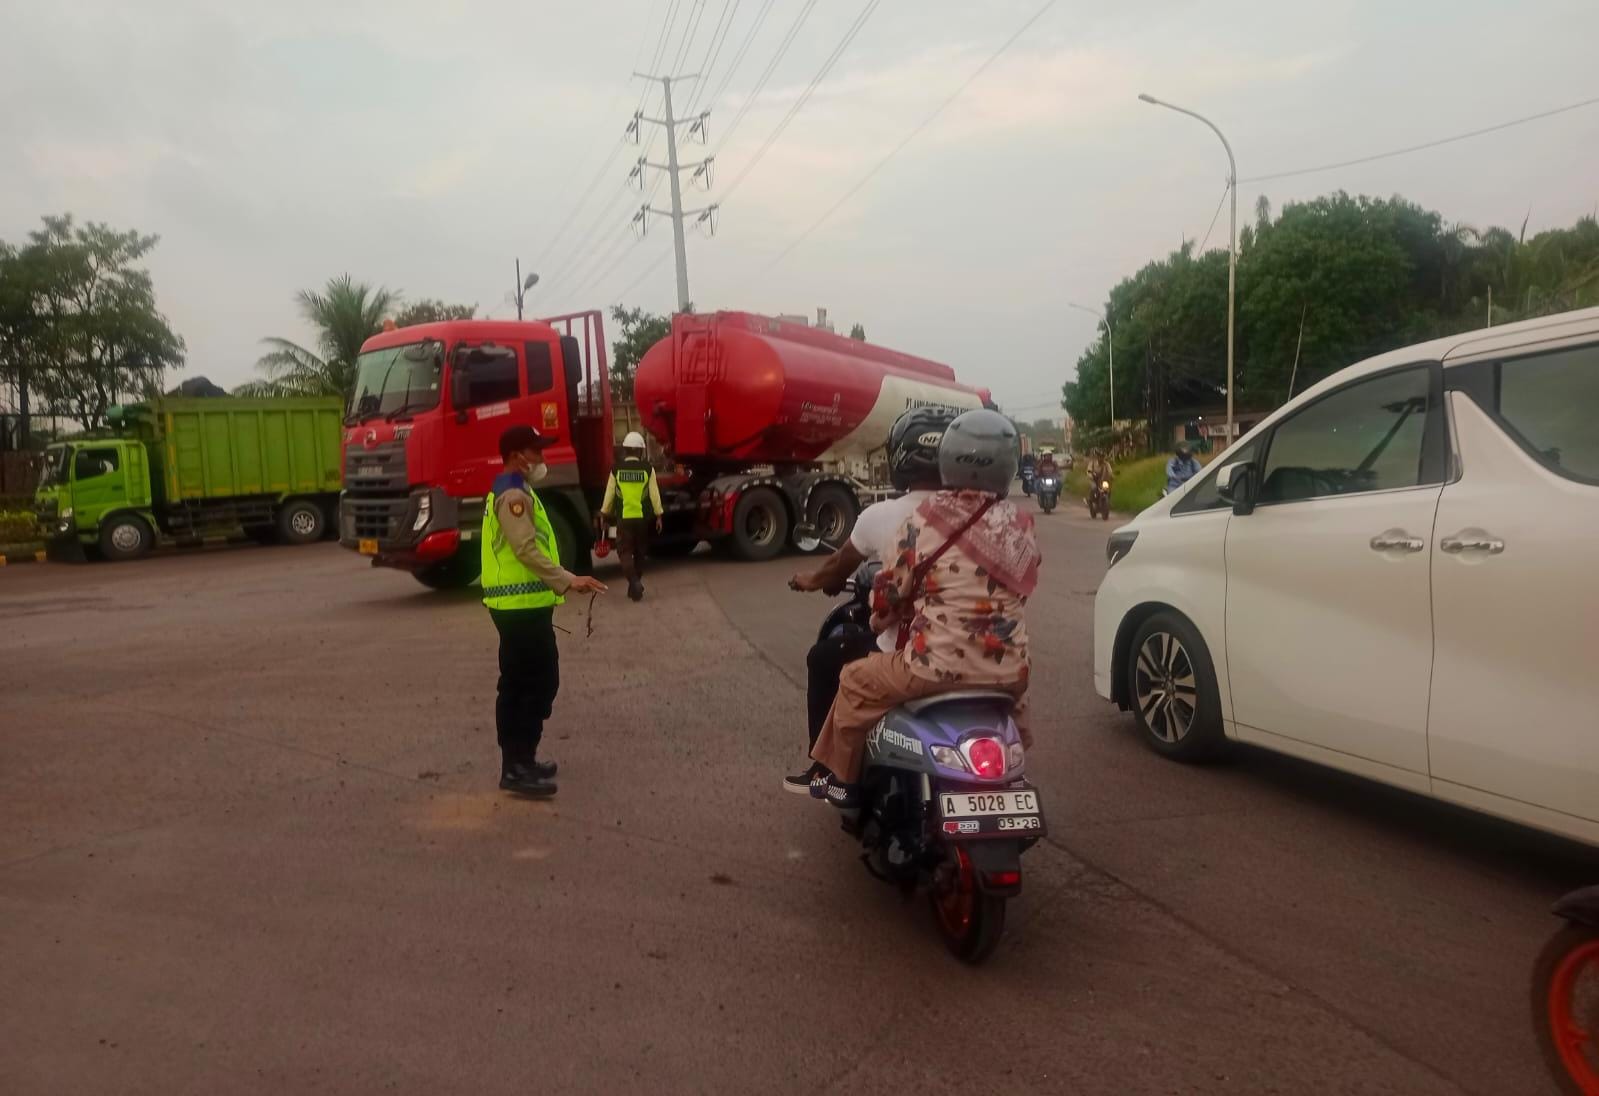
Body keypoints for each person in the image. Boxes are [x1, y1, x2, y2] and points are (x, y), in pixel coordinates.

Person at [810, 409, 1040, 808]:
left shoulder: (925, 521)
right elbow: (1024, 585)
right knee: (1015, 712)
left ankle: (843, 782)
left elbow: (889, 592)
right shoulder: (1021, 525)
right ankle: (1013, 769)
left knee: (853, 679)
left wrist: (879, 614)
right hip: (1008, 671)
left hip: (933, 668)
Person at [783, 406, 956, 794]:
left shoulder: (886, 517)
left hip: (916, 655)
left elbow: (838, 569)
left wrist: (811, 581)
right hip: (980, 652)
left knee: (827, 660)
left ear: (900, 456)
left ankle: (829, 771)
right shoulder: (981, 517)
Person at [483, 425, 607, 797]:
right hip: (518, 608)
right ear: (517, 455)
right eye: (536, 451)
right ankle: (515, 766)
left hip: (525, 606)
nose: (542, 458)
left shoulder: (518, 490)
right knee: (527, 684)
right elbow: (525, 550)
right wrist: (567, 579)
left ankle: (525, 759)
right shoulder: (512, 495)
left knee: (534, 681)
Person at [599, 431, 664, 602]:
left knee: (624, 551)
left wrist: (604, 514)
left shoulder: (616, 470)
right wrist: (659, 515)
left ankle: (634, 582)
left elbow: (609, 495)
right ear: (640, 451)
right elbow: (655, 495)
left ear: (625, 450)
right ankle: (635, 588)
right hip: (642, 519)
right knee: (640, 552)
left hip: (624, 519)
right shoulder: (647, 469)